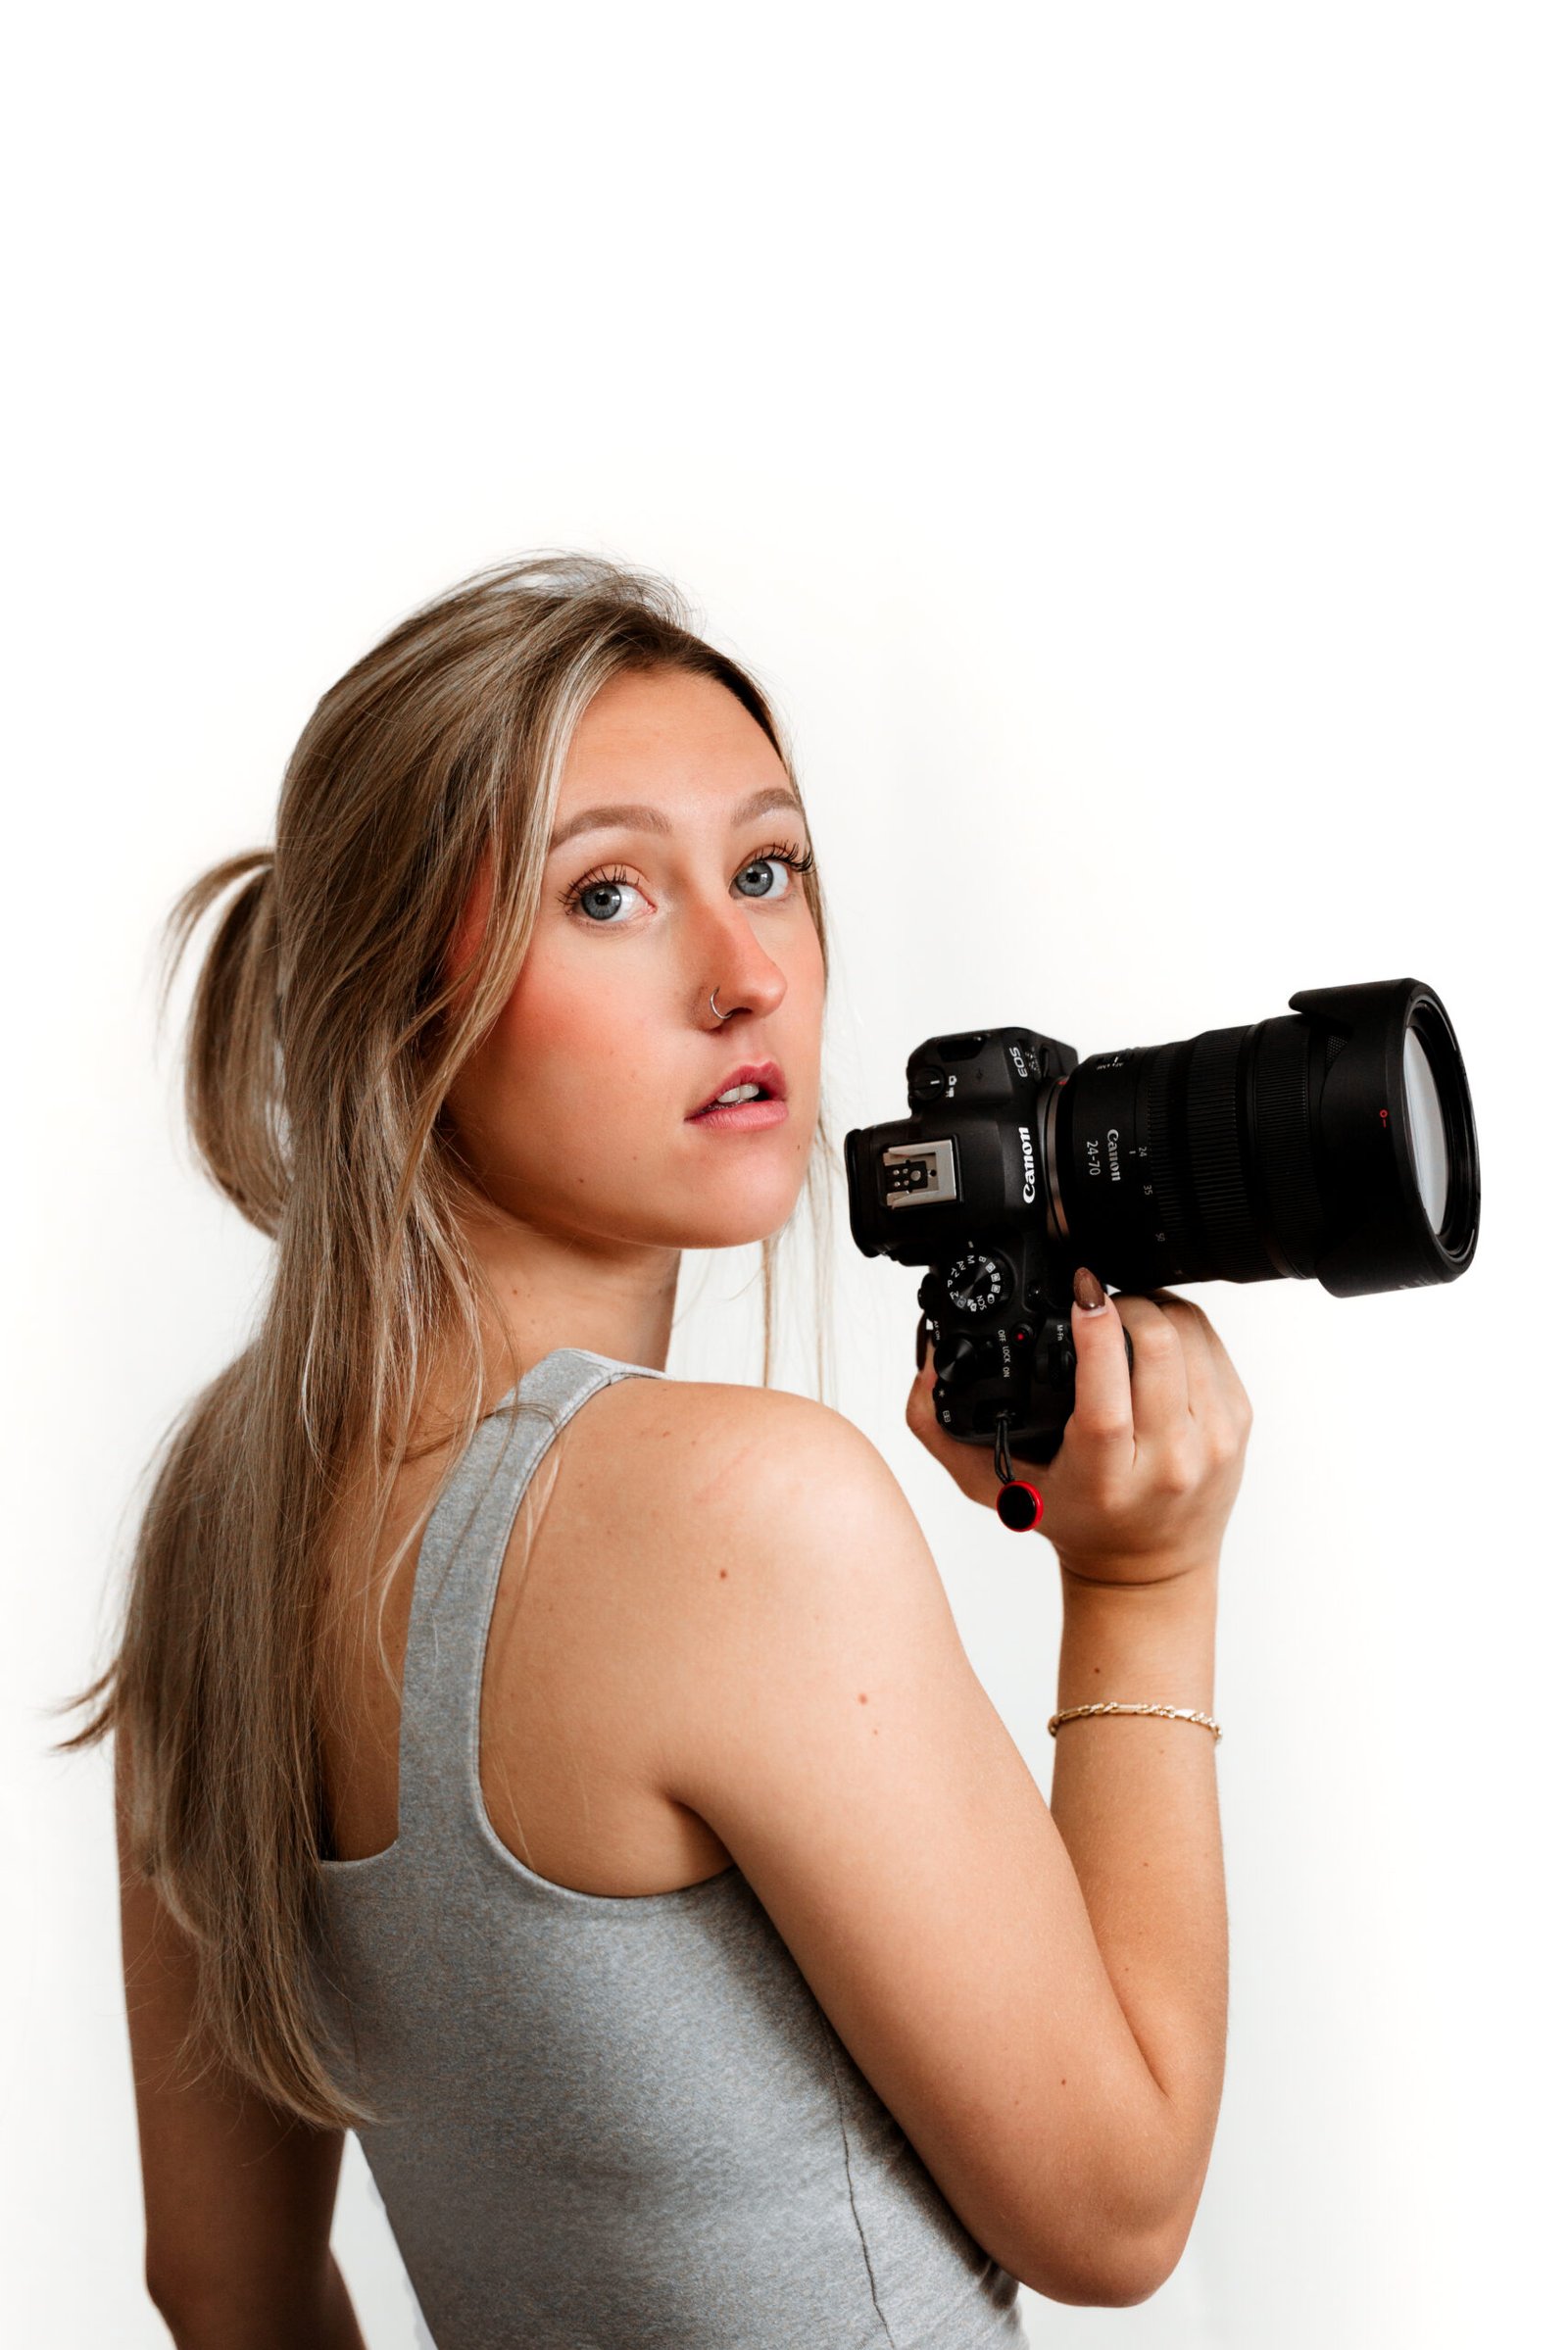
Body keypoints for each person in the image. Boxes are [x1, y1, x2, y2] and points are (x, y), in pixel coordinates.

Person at [57, 552, 1250, 2348]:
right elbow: (1118, 2204)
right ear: (403, 1003)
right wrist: (1142, 1581)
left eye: (767, 868)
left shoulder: (220, 1539)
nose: (747, 969)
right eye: (608, 894)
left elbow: (222, 2290)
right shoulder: (743, 1508)